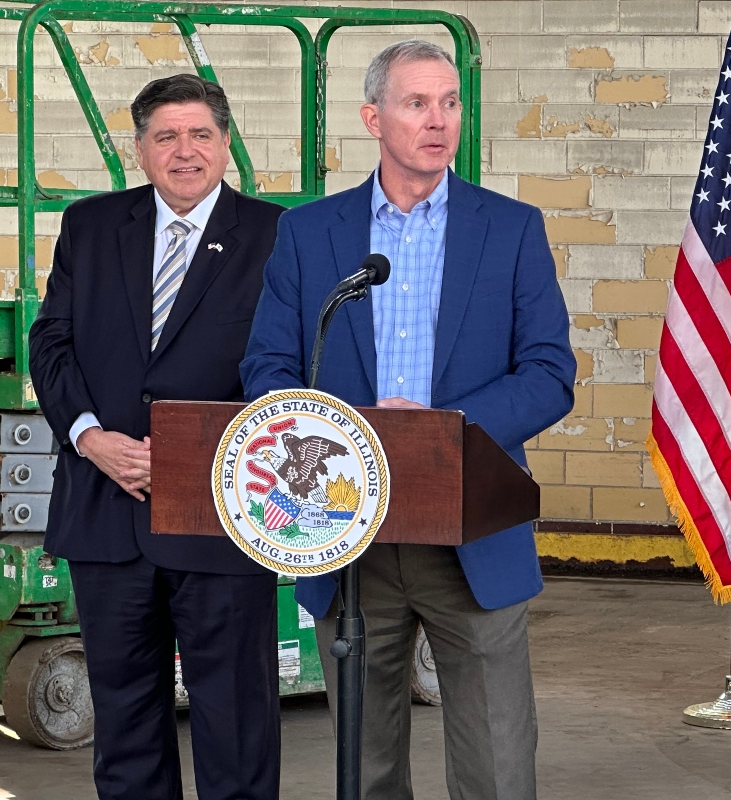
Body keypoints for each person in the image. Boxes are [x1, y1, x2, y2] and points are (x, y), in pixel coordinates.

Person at [241, 39, 575, 800]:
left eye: (449, 103)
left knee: (495, 766)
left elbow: (552, 375)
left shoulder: (512, 229)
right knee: (367, 767)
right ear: (372, 117)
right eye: (417, 103)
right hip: (347, 532)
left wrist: (441, 427)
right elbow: (267, 367)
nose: (439, 120)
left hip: (473, 531)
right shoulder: (309, 233)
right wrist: (340, 433)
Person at [29, 74, 284, 800]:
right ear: (138, 149)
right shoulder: (89, 225)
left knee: (236, 725)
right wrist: (87, 436)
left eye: (201, 134)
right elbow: (51, 344)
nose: (184, 151)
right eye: (165, 136)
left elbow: (291, 368)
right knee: (126, 726)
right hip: (106, 514)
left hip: (221, 517)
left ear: (226, 144)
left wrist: (195, 454)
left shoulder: (275, 234)